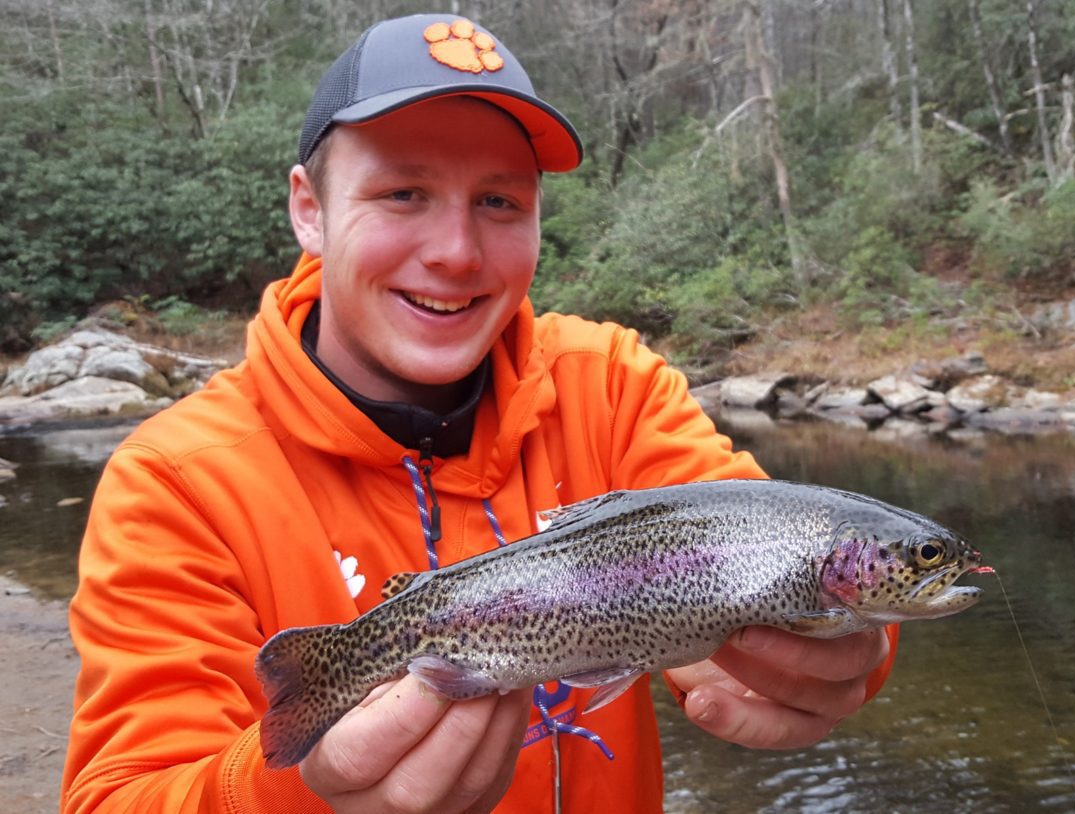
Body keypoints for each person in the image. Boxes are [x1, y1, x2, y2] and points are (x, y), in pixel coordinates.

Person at [62, 13, 898, 814]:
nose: (456, 252)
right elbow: (119, 796)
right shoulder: (174, 484)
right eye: (402, 193)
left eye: (499, 202)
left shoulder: (612, 385)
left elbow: (766, 536)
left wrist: (835, 653)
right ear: (308, 209)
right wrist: (303, 795)